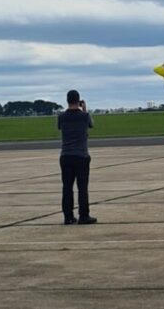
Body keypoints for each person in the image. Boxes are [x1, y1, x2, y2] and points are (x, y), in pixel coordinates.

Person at [58, 89, 97, 225]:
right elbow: (91, 124)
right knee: (82, 187)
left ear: (67, 100)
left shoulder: (61, 117)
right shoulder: (84, 116)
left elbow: (60, 128)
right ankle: (83, 216)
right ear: (78, 100)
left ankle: (68, 217)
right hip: (81, 155)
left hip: (66, 155)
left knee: (67, 187)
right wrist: (85, 109)